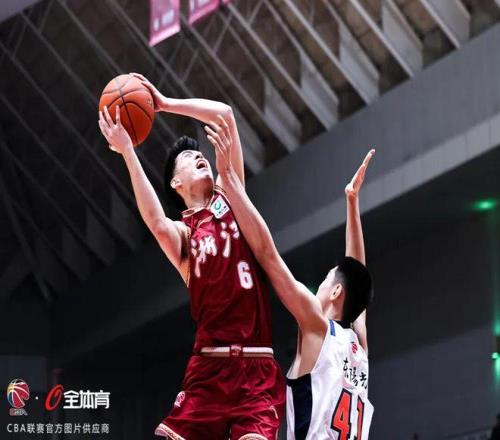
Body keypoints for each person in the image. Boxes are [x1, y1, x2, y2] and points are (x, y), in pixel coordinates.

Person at [98, 76, 284, 440]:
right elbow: (155, 221)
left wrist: (164, 103)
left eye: (200, 155)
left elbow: (225, 115)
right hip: (209, 371)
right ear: (176, 184)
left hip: (256, 366)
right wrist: (128, 152)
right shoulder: (184, 236)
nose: (200, 156)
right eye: (188, 158)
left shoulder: (232, 196)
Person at [207, 116, 374, 439]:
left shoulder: (317, 326)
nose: (321, 285)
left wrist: (228, 178)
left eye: (326, 280)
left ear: (336, 292)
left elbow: (267, 254)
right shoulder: (359, 347)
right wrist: (352, 201)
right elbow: (356, 277)